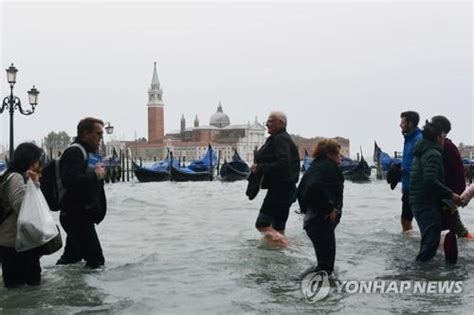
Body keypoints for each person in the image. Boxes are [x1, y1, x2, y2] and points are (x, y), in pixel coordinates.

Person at [56, 117, 107, 268]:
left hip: (80, 214)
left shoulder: (87, 152)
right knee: (96, 260)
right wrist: (96, 175)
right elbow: (70, 180)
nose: (101, 138)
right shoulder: (75, 152)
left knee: (72, 258)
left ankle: (65, 288)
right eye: (98, 134)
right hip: (76, 216)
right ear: (85, 133)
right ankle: (87, 292)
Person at [409, 122, 462, 262]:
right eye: (443, 136)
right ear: (438, 137)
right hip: (426, 203)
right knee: (431, 244)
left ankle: (420, 273)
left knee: (428, 241)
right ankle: (416, 274)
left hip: (418, 201)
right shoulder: (433, 153)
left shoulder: (421, 150)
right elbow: (429, 180)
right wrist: (451, 194)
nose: (444, 140)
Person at [251, 111, 300, 246]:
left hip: (280, 189)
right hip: (287, 189)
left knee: (262, 224)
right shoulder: (282, 138)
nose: (267, 123)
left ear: (281, 123)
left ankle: (288, 246)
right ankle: (282, 253)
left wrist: (260, 167)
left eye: (271, 121)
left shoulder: (280, 139)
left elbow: (283, 163)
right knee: (278, 228)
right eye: (268, 121)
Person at [297, 139, 344, 276]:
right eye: (338, 153)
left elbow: (300, 191)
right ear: (329, 154)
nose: (340, 156)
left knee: (324, 265)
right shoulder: (327, 167)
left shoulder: (315, 166)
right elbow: (313, 188)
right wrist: (329, 209)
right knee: (326, 267)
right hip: (320, 221)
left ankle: (301, 284)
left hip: (313, 220)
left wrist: (305, 209)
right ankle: (298, 285)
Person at [0, 142, 44, 287]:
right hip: (15, 243)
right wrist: (35, 183)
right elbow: (23, 206)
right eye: (37, 160)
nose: (39, 165)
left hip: (19, 242)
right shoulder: (15, 178)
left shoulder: (15, 177)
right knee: (23, 286)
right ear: (31, 161)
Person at [431, 115, 473, 239]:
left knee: (455, 227)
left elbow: (449, 173)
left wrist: (451, 195)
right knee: (453, 226)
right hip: (449, 193)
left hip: (448, 194)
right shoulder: (445, 146)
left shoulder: (446, 147)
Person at [400, 111, 423, 232]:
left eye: (403, 122)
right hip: (407, 186)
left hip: (416, 187)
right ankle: (407, 246)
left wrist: (402, 170)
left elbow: (419, 165)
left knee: (413, 220)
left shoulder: (418, 139)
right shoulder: (408, 139)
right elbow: (407, 161)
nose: (400, 125)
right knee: (405, 220)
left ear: (411, 123)